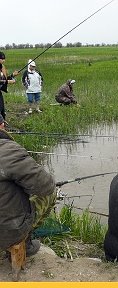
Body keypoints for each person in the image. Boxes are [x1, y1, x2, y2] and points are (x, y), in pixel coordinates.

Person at [0, 113, 56, 256]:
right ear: (2, 125)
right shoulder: (8, 150)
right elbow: (46, 185)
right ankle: (25, 241)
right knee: (51, 193)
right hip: (7, 233)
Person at [0, 51, 18, 120]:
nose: (3, 60)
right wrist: (8, 81)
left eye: (4, 59)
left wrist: (12, 75)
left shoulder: (2, 67)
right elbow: (5, 81)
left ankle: (3, 125)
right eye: (2, 59)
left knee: (2, 110)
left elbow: (5, 79)